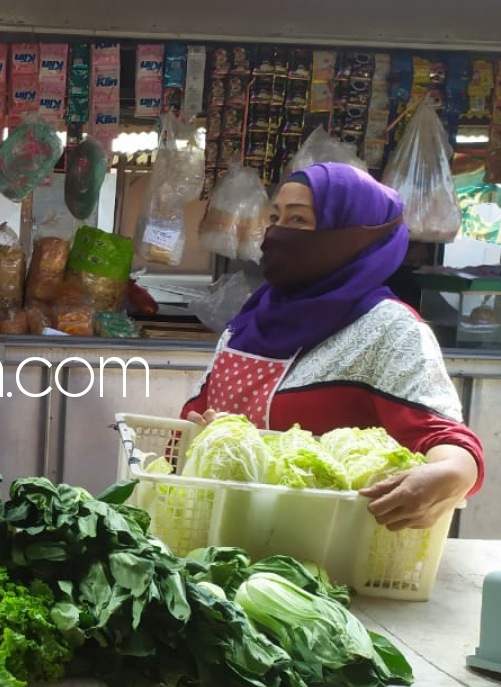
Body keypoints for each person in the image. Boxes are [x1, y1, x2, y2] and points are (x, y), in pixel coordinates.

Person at [182, 161, 484, 532]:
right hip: (224, 535)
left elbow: (445, 439)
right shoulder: (252, 319)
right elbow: (197, 413)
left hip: (332, 550)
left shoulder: (388, 328)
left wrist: (453, 474)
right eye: (274, 218)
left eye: (297, 221)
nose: (276, 233)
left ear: (351, 235)